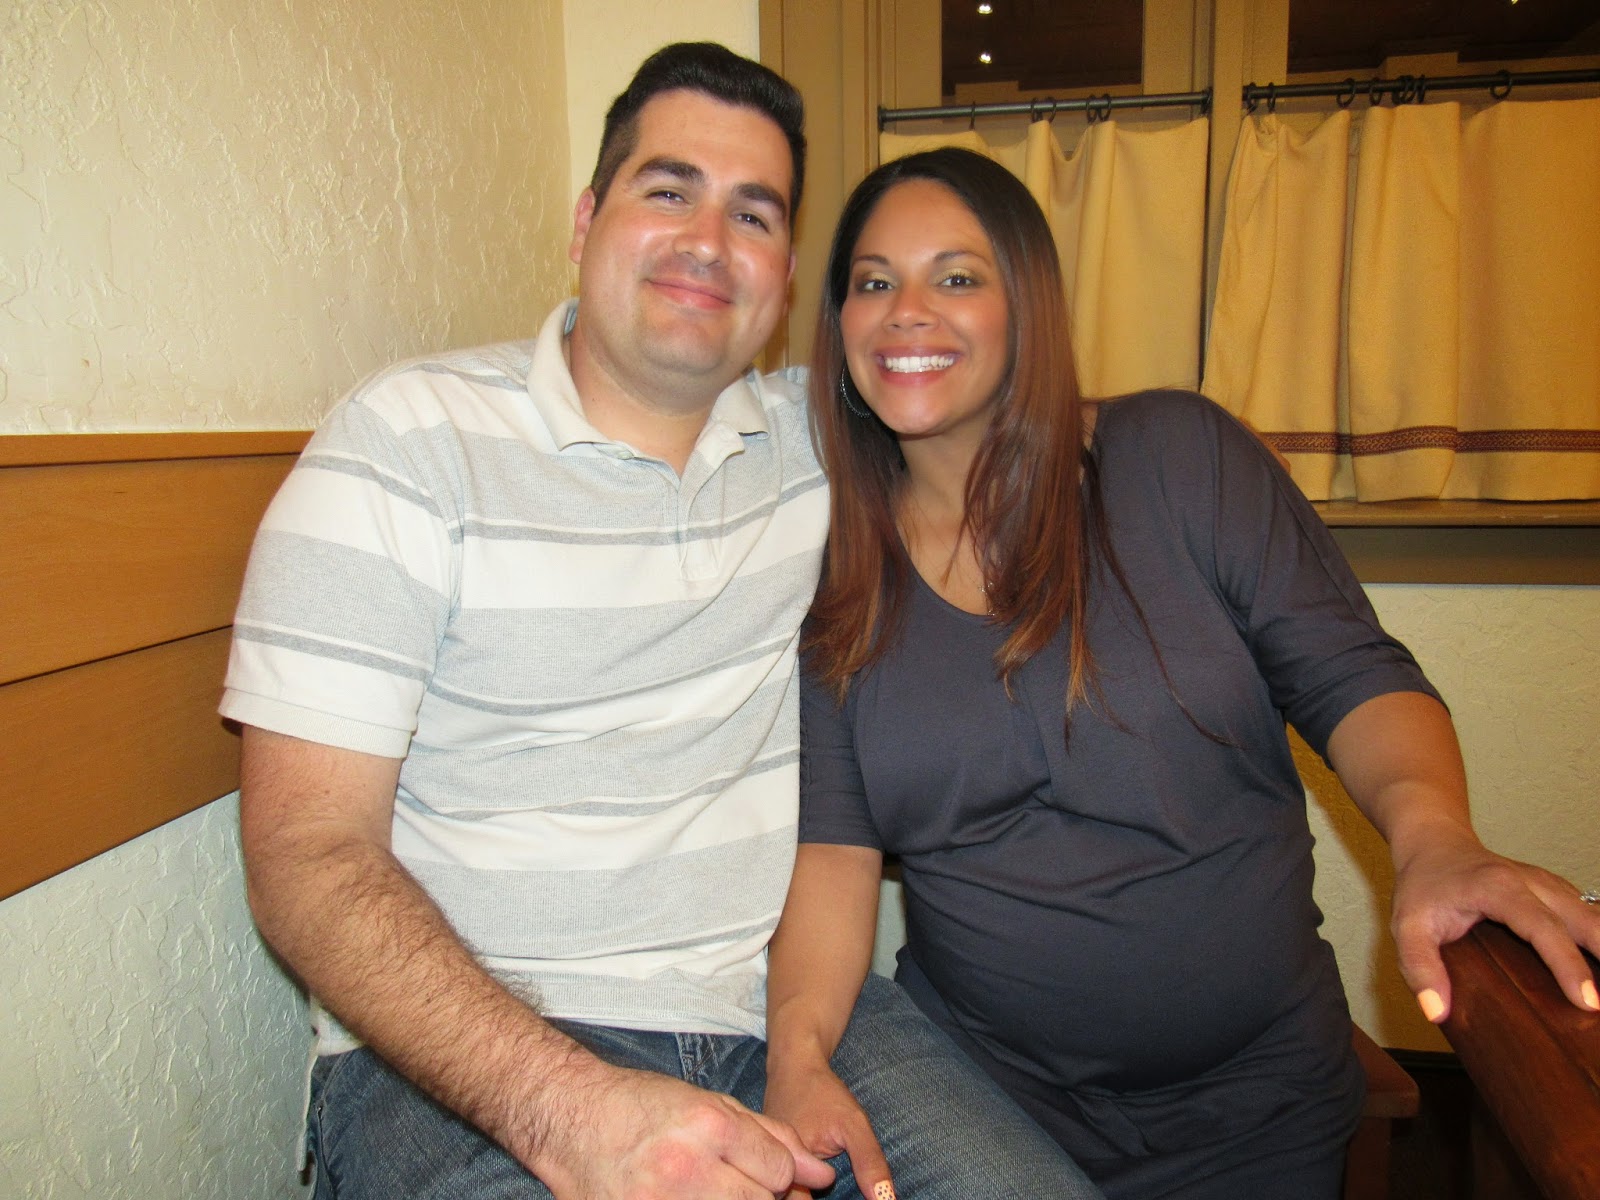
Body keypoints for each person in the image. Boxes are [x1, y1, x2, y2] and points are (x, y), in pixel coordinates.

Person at [224, 47, 1103, 1200]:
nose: (707, 241)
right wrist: (574, 1112)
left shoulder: (830, 448)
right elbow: (304, 855)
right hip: (462, 1049)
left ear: (786, 277)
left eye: (753, 214)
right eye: (668, 190)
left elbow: (1016, 417)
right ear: (586, 219)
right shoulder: (405, 444)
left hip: (769, 1010)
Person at [764, 147, 1600, 1200]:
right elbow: (833, 855)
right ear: (838, 321)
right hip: (979, 1106)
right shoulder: (837, 575)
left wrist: (1436, 840)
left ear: (1028, 305)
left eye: (958, 276)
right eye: (874, 281)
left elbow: (1351, 676)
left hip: (1253, 1111)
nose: (907, 312)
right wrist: (797, 1054)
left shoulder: (1177, 458)